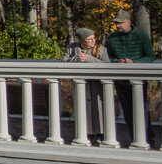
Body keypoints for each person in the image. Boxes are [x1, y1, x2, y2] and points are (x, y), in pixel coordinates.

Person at [104, 9, 156, 144]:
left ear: (129, 22)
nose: (118, 25)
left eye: (120, 23)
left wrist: (135, 62)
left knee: (141, 111)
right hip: (121, 80)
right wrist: (117, 61)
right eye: (116, 23)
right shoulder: (112, 38)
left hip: (138, 79)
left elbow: (150, 56)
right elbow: (107, 57)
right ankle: (135, 138)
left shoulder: (142, 36)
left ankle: (147, 139)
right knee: (127, 112)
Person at [63, 27, 108, 142]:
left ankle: (100, 134)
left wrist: (89, 59)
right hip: (80, 85)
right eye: (89, 39)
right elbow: (64, 62)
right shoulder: (72, 48)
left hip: (97, 85)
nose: (93, 41)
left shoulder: (101, 49)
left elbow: (107, 65)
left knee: (98, 109)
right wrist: (77, 58)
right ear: (82, 41)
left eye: (93, 38)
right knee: (82, 109)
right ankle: (86, 133)